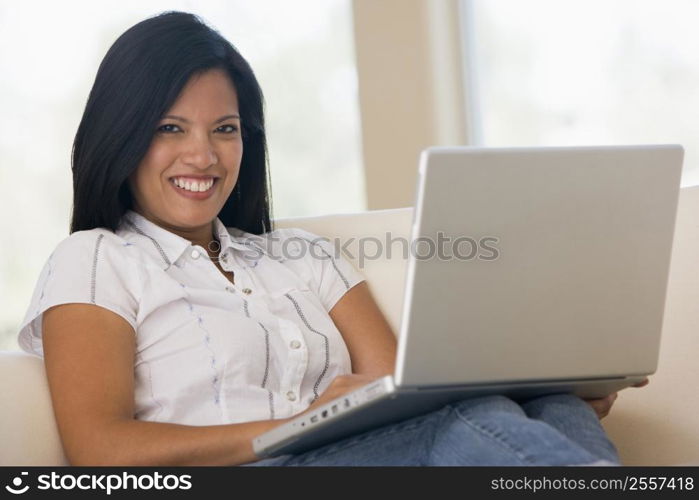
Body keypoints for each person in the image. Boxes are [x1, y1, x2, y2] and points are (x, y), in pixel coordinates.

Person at [17, 11, 648, 467]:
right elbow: (100, 449)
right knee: (467, 424)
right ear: (122, 135)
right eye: (170, 127)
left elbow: (400, 390)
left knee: (555, 408)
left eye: (226, 128)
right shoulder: (98, 258)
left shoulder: (301, 256)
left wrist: (541, 384)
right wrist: (292, 427)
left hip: (357, 458)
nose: (202, 155)